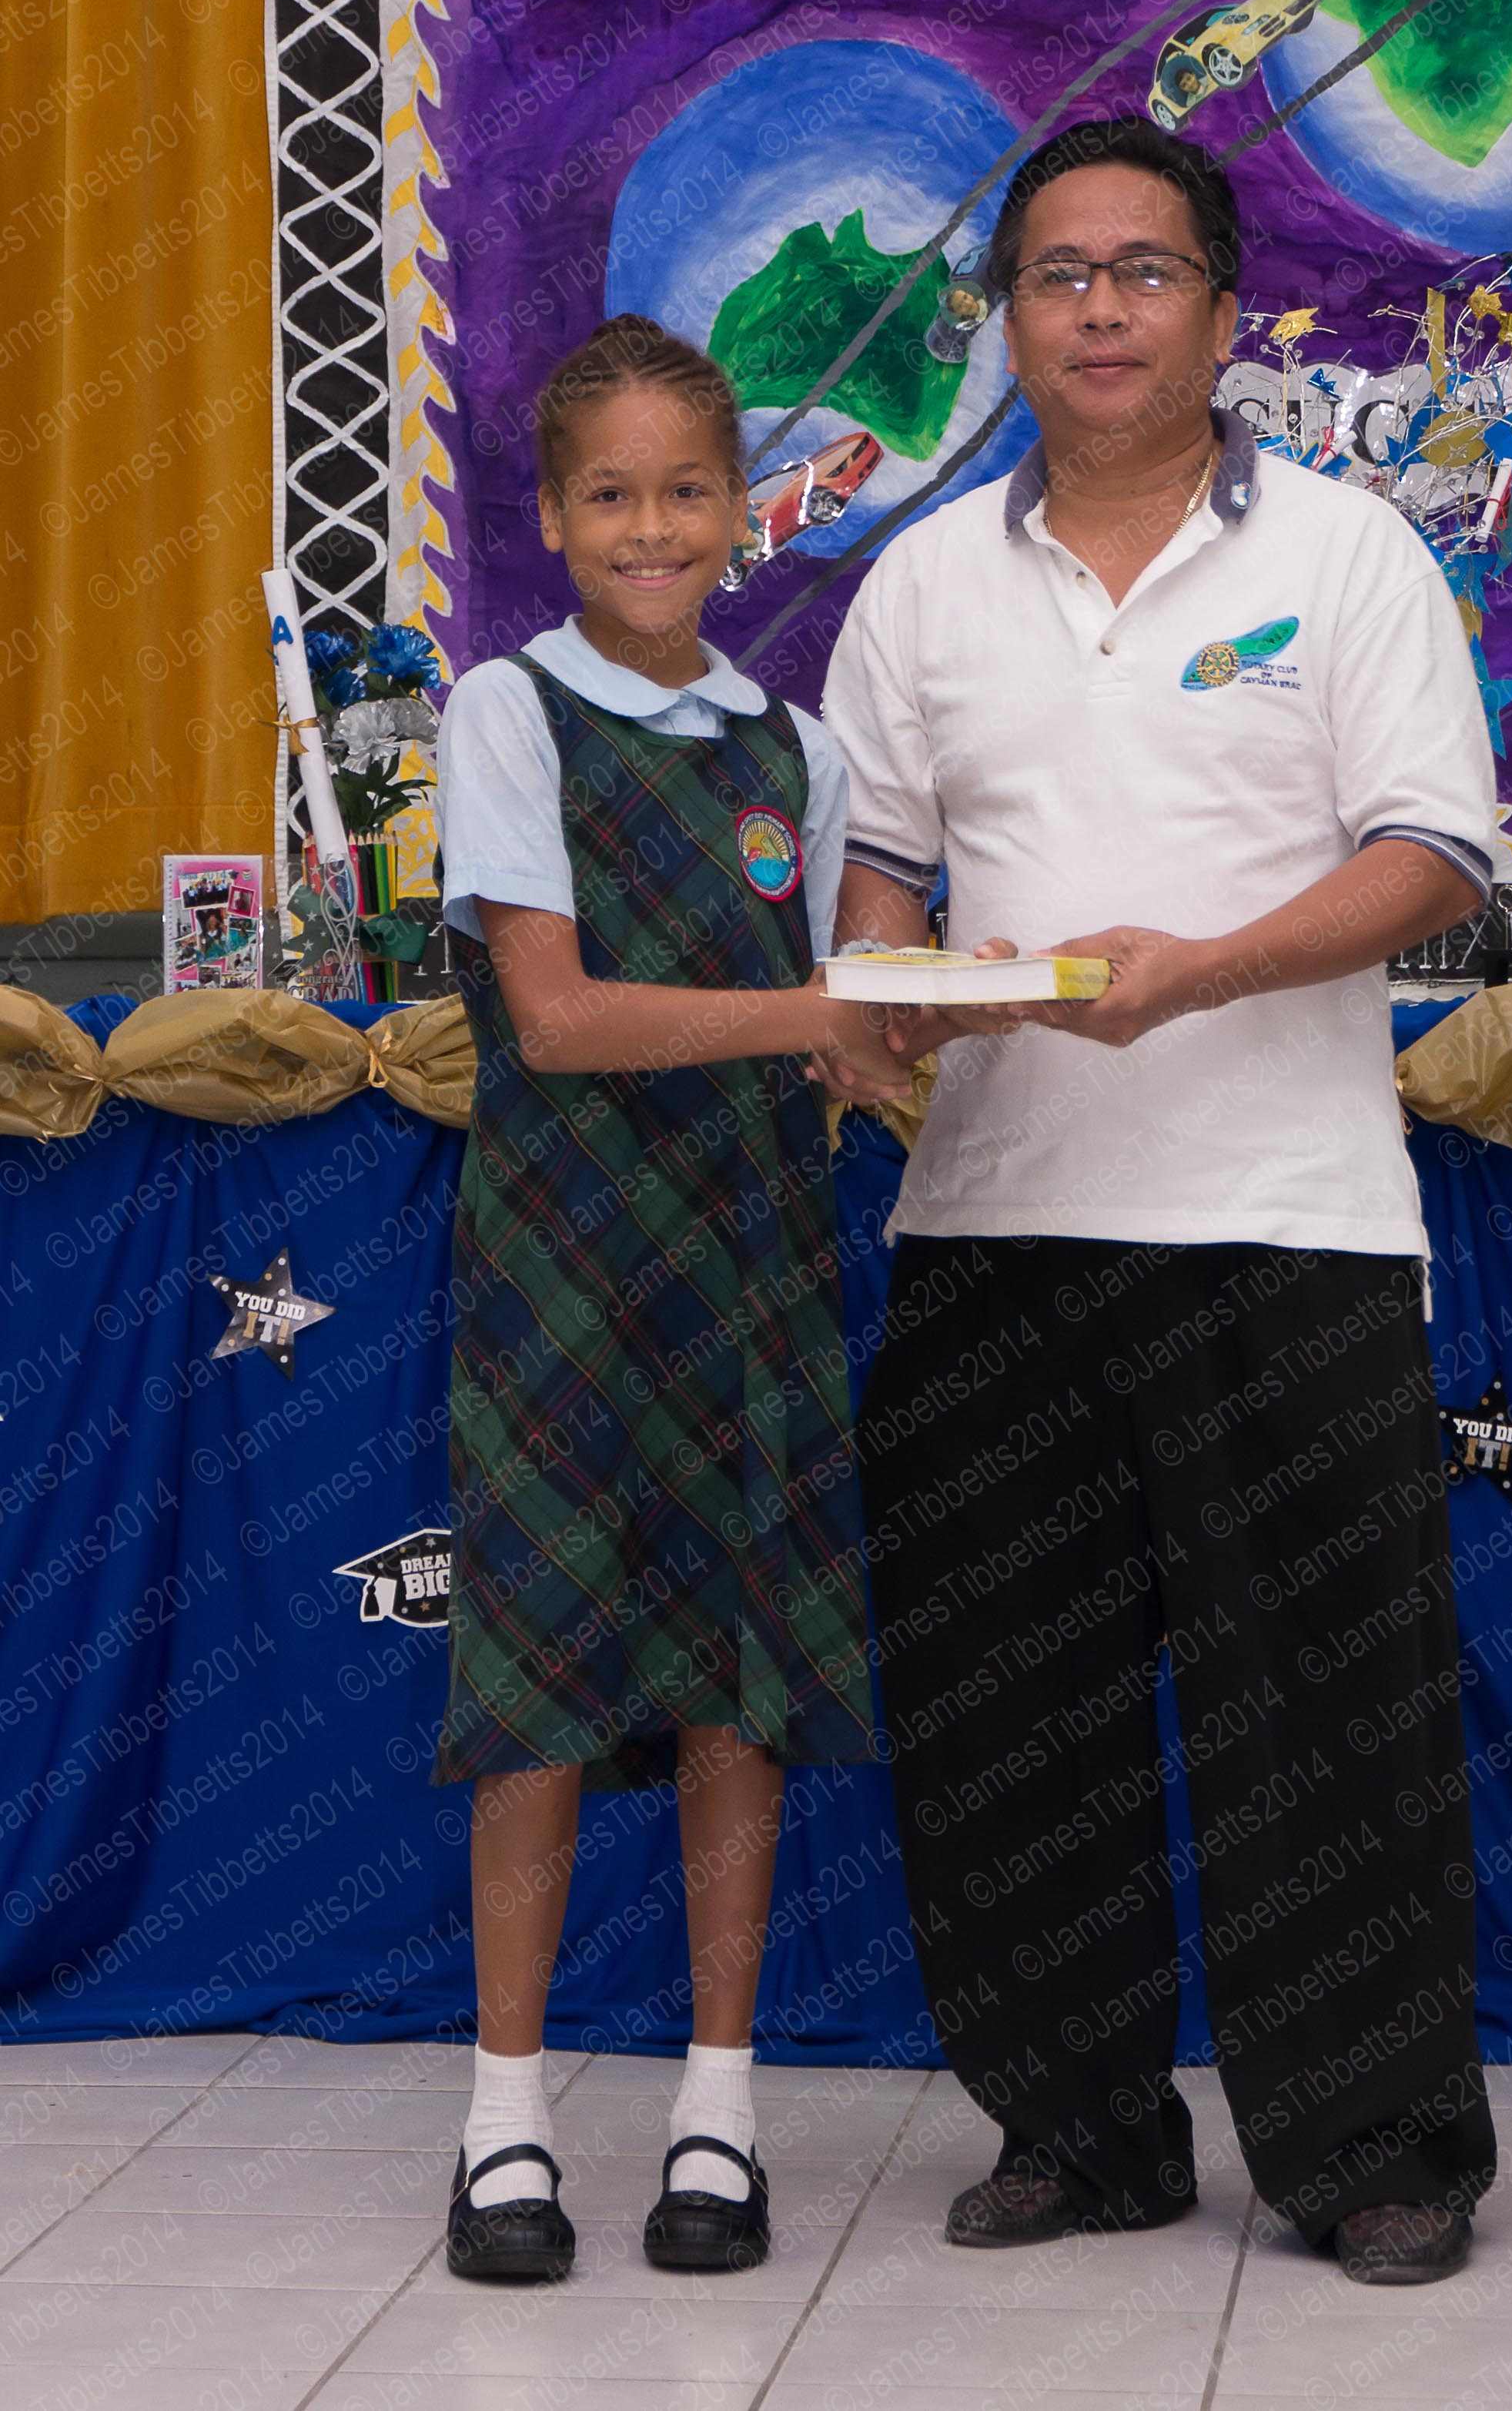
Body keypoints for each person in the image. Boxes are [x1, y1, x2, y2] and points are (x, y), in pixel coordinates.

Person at [820, 118, 1502, 2287]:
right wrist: (869, 1000)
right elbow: (878, 867)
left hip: (1286, 1223)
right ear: (1001, 318)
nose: (1097, 310)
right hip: (989, 1225)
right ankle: (1078, 2127)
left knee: (1324, 1715)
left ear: (1221, 313)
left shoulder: (1348, 553)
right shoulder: (922, 581)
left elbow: (1435, 859)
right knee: (1004, 1712)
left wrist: (1195, 970)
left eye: (1140, 270)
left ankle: (1373, 2150)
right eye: (1055, 273)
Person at [429, 313, 907, 2284]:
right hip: (558, 1273)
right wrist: (819, 1015)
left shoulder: (793, 751)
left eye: (687, 491)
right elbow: (551, 1017)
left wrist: (919, 1017)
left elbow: (849, 1012)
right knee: (537, 1679)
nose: (651, 528)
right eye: (611, 494)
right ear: (551, 518)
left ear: (742, 511)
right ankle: (504, 2117)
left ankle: (719, 2105)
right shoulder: (507, 712)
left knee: (738, 1681)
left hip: (751, 1267)